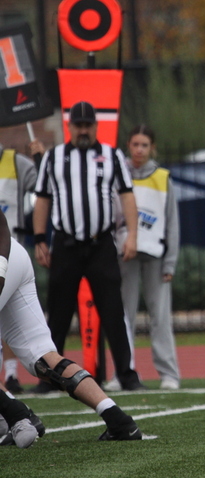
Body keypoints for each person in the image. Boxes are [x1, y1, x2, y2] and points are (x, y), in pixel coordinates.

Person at [0, 208, 141, 446]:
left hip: (4, 259)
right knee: (44, 358)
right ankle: (118, 420)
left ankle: (17, 415)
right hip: (12, 256)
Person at [31, 101, 146, 393]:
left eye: (88, 125)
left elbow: (127, 196)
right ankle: (50, 378)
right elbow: (42, 198)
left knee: (112, 311)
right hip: (66, 245)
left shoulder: (111, 156)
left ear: (95, 126)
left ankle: (126, 374)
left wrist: (132, 235)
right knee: (57, 313)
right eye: (78, 125)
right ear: (70, 126)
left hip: (100, 245)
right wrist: (40, 239)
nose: (83, 130)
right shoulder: (53, 157)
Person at [104, 125, 181, 391]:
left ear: (152, 148)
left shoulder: (163, 177)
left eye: (144, 145)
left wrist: (170, 260)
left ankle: (169, 374)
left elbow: (172, 223)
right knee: (122, 317)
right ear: (128, 144)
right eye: (135, 144)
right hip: (124, 255)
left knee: (160, 317)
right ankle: (122, 373)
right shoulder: (117, 176)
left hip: (156, 256)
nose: (139, 150)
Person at [0, 139, 42, 394]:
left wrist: (39, 159)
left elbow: (43, 185)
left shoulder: (15, 161)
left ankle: (13, 374)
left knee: (11, 317)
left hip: (10, 249)